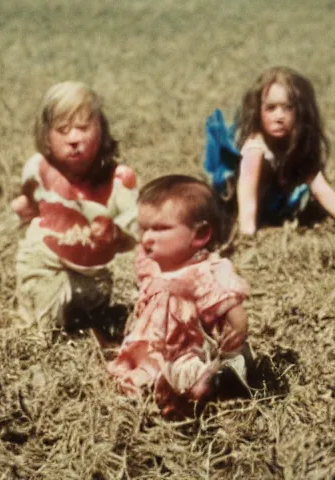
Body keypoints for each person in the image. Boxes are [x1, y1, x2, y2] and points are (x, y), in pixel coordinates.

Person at [106, 175, 250, 418]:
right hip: (149, 345)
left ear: (200, 235)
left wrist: (237, 328)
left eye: (160, 229)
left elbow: (227, 306)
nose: (147, 238)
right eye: (144, 228)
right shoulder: (151, 264)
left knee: (187, 371)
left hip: (184, 349)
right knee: (131, 372)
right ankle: (161, 387)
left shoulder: (199, 274)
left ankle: (206, 384)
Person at [11, 81, 138, 334]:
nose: (74, 139)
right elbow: (27, 200)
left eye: (82, 128)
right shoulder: (40, 169)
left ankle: (89, 319)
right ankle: (38, 321)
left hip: (92, 274)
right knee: (40, 327)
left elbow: (135, 231)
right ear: (46, 136)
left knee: (93, 315)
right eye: (63, 130)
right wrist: (24, 208)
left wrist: (116, 234)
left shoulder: (117, 179)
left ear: (101, 130)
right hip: (44, 265)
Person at [204, 66, 335, 248]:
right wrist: (247, 236)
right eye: (271, 108)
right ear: (258, 111)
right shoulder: (255, 146)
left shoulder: (296, 141)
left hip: (275, 197)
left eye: (288, 108)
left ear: (300, 111)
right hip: (241, 200)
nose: (279, 116)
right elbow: (247, 193)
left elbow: (320, 188)